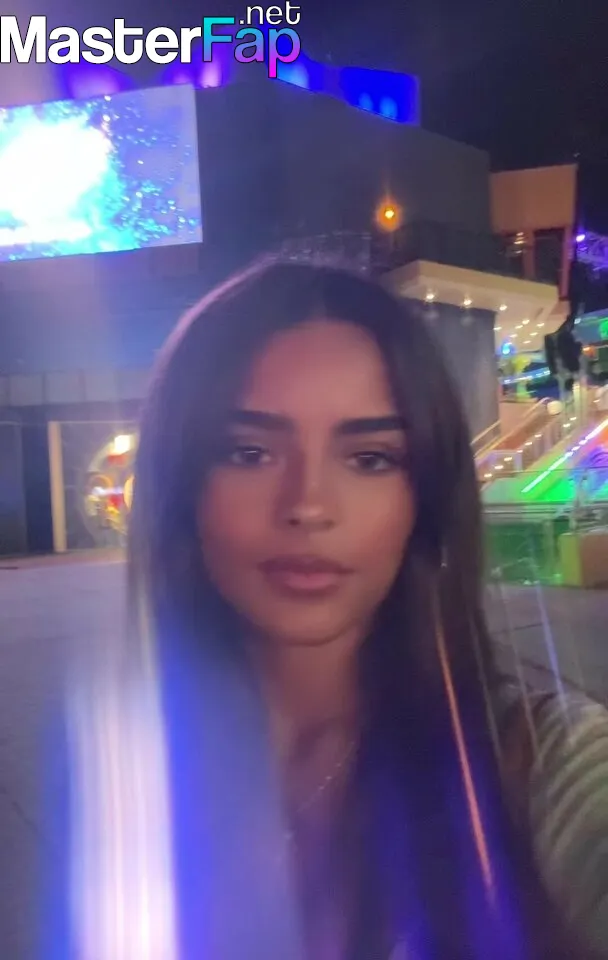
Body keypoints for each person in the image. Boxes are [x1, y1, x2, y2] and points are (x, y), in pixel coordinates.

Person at [65, 261, 608, 959]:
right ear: (181, 487)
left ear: (425, 497)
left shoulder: (544, 763)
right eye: (250, 452)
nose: (309, 506)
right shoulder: (134, 773)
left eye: (370, 458)